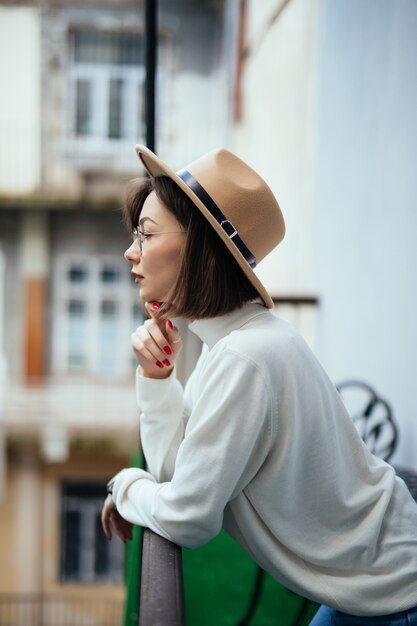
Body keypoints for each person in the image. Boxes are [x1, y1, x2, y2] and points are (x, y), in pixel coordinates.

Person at [101, 145, 417, 625]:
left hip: (394, 592)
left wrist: (125, 486)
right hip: (369, 587)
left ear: (201, 247)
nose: (131, 251)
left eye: (145, 234)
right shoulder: (233, 343)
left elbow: (188, 517)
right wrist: (157, 379)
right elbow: (174, 473)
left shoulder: (244, 358)